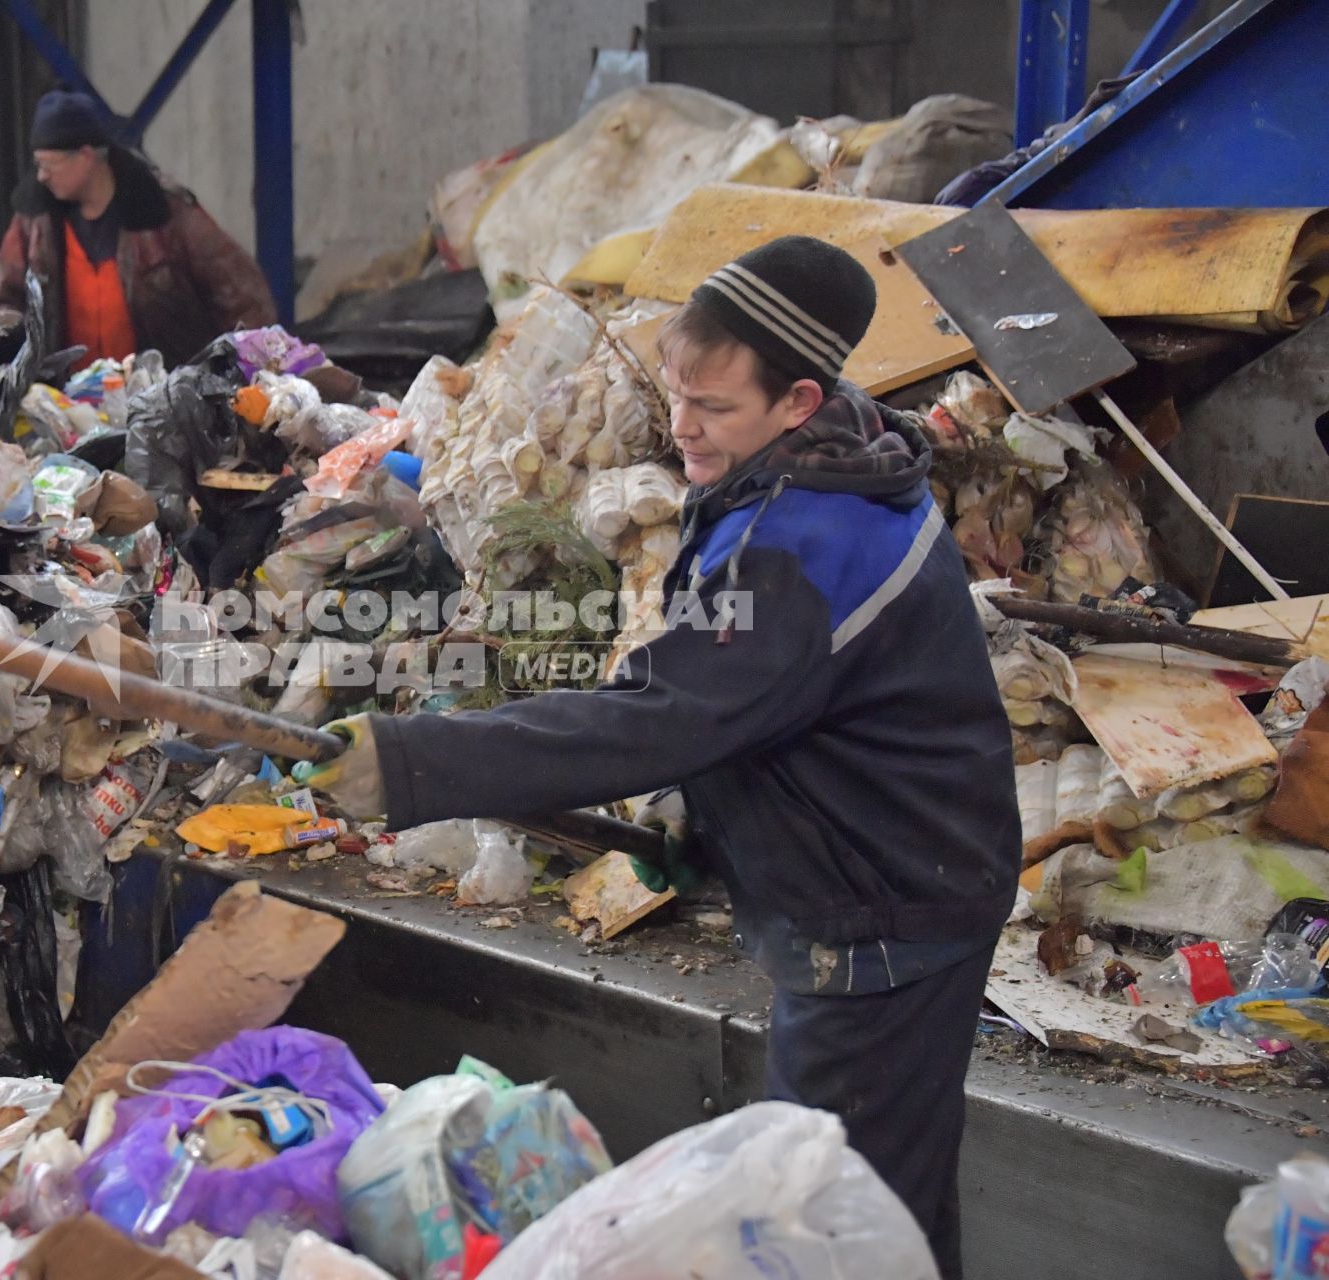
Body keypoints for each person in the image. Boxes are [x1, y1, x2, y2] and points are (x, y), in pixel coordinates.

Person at [304, 236, 1019, 1279]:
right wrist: (710, 817)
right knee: (884, 1202)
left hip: (884, 911)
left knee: (829, 1209)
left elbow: (655, 716)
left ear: (799, 399)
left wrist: (410, 762)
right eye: (677, 393)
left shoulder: (804, 545)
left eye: (715, 408)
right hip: (892, 869)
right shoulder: (828, 461)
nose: (682, 426)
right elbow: (764, 706)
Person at [0, 91, 276, 365]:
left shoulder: (165, 213)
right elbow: (5, 304)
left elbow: (242, 296)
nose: (42, 176)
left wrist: (247, 369)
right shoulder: (34, 222)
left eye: (50, 164)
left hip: (163, 395)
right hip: (66, 402)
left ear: (86, 156)